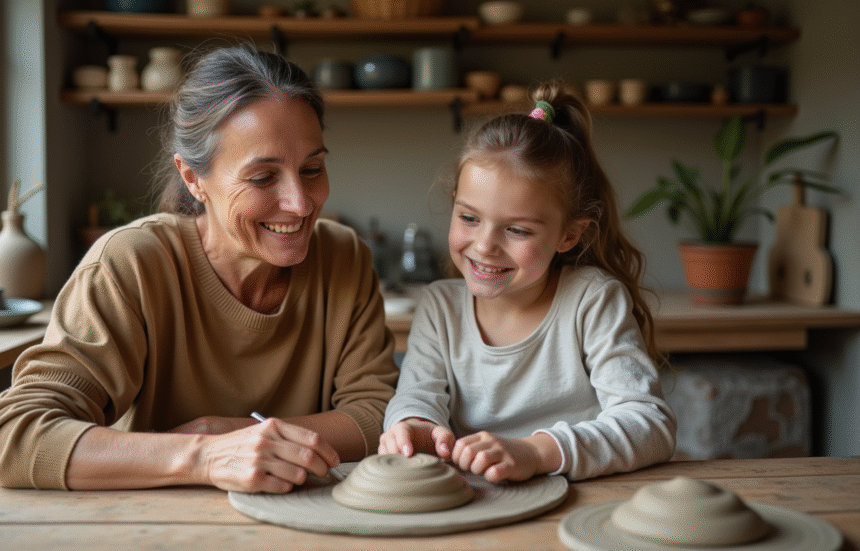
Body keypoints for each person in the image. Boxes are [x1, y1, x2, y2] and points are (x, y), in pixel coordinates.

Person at [0, 46, 398, 492]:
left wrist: (225, 430)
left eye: (312, 168)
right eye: (263, 178)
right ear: (193, 178)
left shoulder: (344, 256)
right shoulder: (130, 264)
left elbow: (375, 414)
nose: (301, 204)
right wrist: (204, 454)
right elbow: (16, 436)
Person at [379, 82, 676, 483]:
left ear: (569, 236)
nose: (484, 246)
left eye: (517, 230)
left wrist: (535, 452)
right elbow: (417, 396)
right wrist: (413, 426)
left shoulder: (592, 300)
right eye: (469, 218)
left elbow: (650, 426)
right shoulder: (440, 306)